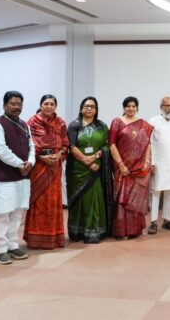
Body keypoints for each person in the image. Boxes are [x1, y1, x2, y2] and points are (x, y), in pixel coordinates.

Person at [0, 91, 34, 265]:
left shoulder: (24, 124)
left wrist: (30, 162)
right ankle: (1, 249)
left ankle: (13, 245)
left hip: (23, 176)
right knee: (2, 214)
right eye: (13, 103)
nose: (16, 107)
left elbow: (32, 146)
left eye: (19, 104)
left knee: (17, 213)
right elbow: (1, 150)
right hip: (4, 177)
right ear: (4, 105)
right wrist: (20, 165)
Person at [24, 94, 68, 249]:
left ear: (55, 106)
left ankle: (53, 238)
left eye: (52, 104)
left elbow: (65, 145)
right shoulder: (32, 122)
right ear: (41, 105)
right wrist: (42, 157)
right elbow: (28, 145)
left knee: (53, 201)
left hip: (54, 168)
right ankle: (35, 238)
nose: (49, 106)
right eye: (46, 103)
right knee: (39, 201)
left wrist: (59, 154)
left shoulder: (60, 123)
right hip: (39, 168)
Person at [66, 97, 111, 243]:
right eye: (86, 106)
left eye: (92, 106)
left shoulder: (102, 126)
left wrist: (96, 156)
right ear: (81, 108)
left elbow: (107, 145)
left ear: (96, 110)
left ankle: (93, 232)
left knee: (94, 200)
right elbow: (71, 147)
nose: (89, 109)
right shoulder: (74, 125)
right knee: (79, 201)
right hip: (78, 170)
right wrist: (86, 161)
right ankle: (77, 232)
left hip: (96, 169)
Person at [110, 96, 153, 239]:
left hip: (138, 168)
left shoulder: (143, 124)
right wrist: (121, 165)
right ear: (123, 107)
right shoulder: (117, 122)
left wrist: (147, 161)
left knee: (136, 197)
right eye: (128, 106)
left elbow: (147, 144)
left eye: (134, 106)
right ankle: (121, 230)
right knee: (122, 198)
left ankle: (134, 230)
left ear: (137, 108)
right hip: (122, 168)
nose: (131, 109)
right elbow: (112, 145)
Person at [148, 97, 170, 233]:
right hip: (158, 163)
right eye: (167, 105)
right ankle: (153, 222)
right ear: (161, 106)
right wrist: (151, 162)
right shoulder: (153, 121)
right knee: (156, 192)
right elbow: (148, 143)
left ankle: (167, 221)